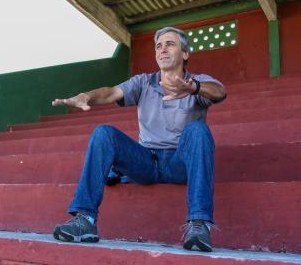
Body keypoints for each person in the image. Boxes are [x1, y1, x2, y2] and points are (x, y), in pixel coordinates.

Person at [51, 26, 227, 252]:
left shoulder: (197, 81)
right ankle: (85, 221)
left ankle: (199, 225)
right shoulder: (144, 82)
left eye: (170, 44)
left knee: (198, 130)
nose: (162, 49)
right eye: (158, 46)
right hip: (146, 161)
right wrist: (87, 96)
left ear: (185, 53)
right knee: (103, 133)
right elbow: (110, 92)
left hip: (179, 163)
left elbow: (220, 92)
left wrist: (194, 88)